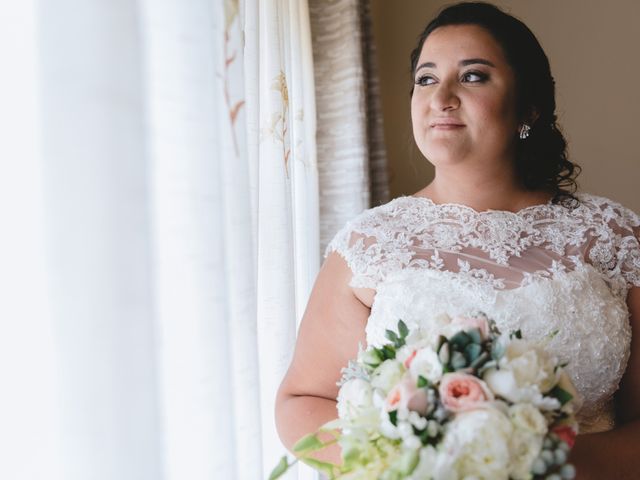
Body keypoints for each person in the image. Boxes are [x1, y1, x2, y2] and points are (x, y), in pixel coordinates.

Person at [275, 2, 640, 478]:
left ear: (529, 105)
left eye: (472, 77)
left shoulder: (615, 237)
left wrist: (533, 464)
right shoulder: (369, 244)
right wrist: (415, 465)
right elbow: (302, 401)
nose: (441, 96)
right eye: (426, 79)